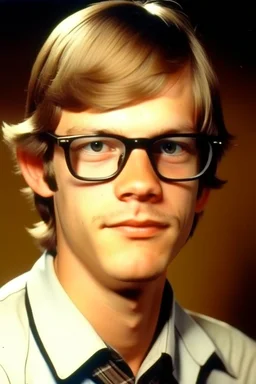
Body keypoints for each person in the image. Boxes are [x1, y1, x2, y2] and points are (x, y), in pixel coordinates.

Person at [1, 0, 255, 382]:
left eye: (171, 147)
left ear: (202, 184)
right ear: (39, 169)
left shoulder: (246, 367)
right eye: (98, 145)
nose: (141, 184)